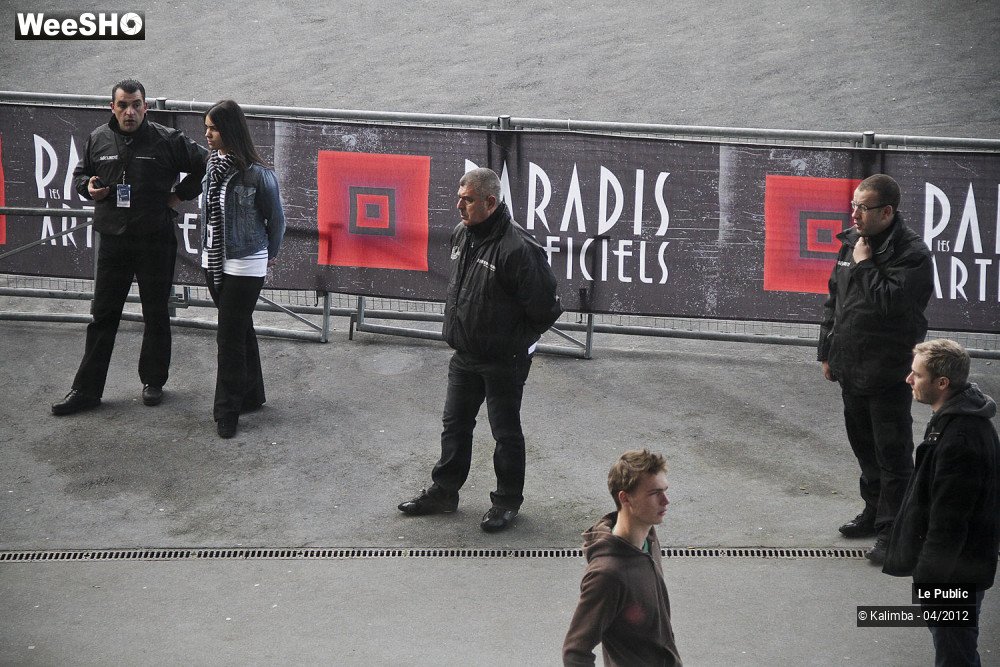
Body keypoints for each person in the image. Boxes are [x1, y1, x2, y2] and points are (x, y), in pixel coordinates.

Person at [398, 167, 562, 532]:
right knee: (454, 426)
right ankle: (444, 492)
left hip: (504, 360)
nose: (459, 206)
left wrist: (514, 344)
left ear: (490, 202)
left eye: (467, 200)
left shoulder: (519, 248)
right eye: (459, 198)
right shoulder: (462, 233)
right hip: (465, 355)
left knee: (505, 433)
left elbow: (545, 308)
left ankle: (506, 502)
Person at [53, 79, 208, 416]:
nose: (129, 112)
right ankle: (86, 390)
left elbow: (206, 163)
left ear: (145, 107)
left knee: (156, 312)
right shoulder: (98, 138)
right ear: (112, 107)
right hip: (113, 239)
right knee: (103, 315)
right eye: (123, 105)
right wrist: (87, 186)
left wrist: (179, 195)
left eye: (136, 105)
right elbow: (81, 175)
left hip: (155, 239)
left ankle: (154, 381)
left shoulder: (168, 139)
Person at [818, 173, 933, 564]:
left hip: (887, 371)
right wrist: (827, 351)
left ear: (887, 212)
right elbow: (835, 299)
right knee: (864, 448)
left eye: (863, 208)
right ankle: (874, 511)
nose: (854, 214)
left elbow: (892, 306)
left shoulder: (913, 254)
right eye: (853, 205)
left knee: (893, 455)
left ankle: (894, 531)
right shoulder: (852, 242)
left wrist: (866, 265)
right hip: (851, 365)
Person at [883, 339, 1000, 666]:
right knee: (957, 649)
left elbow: (949, 522)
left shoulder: (959, 439)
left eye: (917, 374)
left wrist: (928, 579)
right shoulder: (958, 419)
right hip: (961, 569)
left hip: (954, 576)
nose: (909, 379)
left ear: (942, 383)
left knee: (954, 655)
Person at [200, 100, 285, 439]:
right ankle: (250, 394)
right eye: (206, 127)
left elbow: (276, 221)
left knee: (229, 335)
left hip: (247, 260)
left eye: (213, 128)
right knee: (240, 327)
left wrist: (268, 255)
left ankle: (227, 411)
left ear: (229, 130)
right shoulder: (212, 165)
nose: (207, 134)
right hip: (214, 258)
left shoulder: (258, 174)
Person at [563, 449, 682, 666]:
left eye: (665, 490)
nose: (666, 501)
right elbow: (575, 653)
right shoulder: (607, 574)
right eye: (654, 493)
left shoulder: (649, 538)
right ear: (625, 498)